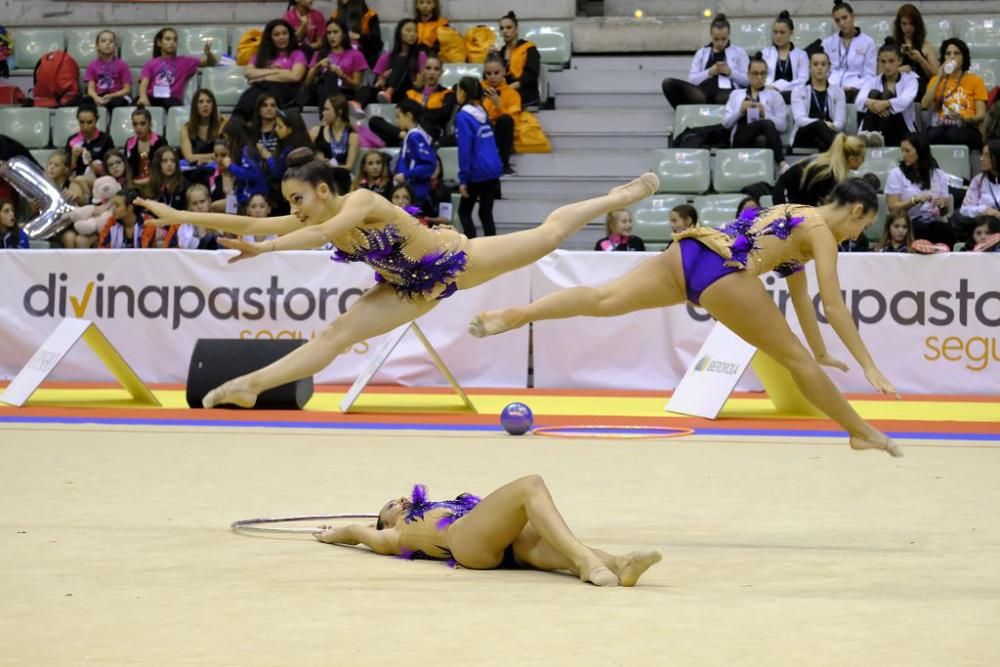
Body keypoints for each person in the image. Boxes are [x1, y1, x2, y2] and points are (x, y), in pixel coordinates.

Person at [136, 149, 660, 409]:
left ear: (323, 190)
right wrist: (180, 216)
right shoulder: (313, 217)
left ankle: (614, 198)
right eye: (289, 202)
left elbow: (326, 231)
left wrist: (267, 248)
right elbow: (251, 222)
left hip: (451, 261)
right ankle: (251, 386)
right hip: (405, 288)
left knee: (546, 237)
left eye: (298, 199)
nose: (292, 210)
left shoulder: (357, 203)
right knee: (335, 336)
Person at [469, 178, 902, 457]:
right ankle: (860, 429)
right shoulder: (823, 232)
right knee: (796, 362)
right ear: (856, 211)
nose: (857, 235)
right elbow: (834, 305)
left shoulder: (797, 215)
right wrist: (868, 365)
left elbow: (803, 299)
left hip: (692, 250)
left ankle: (519, 314)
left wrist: (823, 350)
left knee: (603, 298)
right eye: (862, 227)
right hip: (725, 270)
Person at [312, 477, 663, 587]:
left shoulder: (435, 508)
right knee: (530, 487)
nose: (401, 500)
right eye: (390, 504)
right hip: (467, 544)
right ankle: (589, 562)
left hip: (503, 543)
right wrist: (333, 533)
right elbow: (359, 532)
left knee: (546, 542)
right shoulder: (394, 535)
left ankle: (620, 564)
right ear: (387, 522)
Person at [661, 13, 749, 108]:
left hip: (725, 93)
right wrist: (709, 72)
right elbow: (692, 80)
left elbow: (748, 80)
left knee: (729, 98)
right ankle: (688, 112)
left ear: (729, 35)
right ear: (711, 35)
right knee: (668, 83)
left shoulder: (739, 52)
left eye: (724, 39)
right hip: (702, 94)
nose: (720, 43)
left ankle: (706, 111)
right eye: (716, 39)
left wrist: (730, 72)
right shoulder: (702, 52)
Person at [722, 54, 789, 174]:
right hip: (741, 138)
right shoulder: (736, 94)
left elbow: (783, 126)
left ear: (767, 75)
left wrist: (764, 114)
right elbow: (725, 124)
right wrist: (740, 111)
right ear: (748, 74)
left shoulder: (775, 96)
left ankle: (764, 171)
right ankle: (781, 163)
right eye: (755, 73)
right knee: (766, 124)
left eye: (763, 73)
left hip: (765, 139)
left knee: (764, 130)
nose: (759, 77)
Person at [455, 77, 504, 238]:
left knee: (464, 213)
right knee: (486, 214)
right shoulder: (482, 111)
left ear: (462, 92)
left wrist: (463, 179)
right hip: (493, 169)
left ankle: (472, 251)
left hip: (477, 172)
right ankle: (495, 253)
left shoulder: (463, 116)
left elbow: (465, 150)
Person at [885, 133, 954, 247]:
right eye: (902, 151)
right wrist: (915, 200)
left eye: (907, 151)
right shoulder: (896, 174)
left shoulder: (938, 174)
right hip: (907, 222)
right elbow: (892, 207)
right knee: (920, 229)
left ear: (920, 151)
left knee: (945, 230)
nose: (903, 155)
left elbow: (944, 211)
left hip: (932, 220)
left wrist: (942, 205)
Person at [369, 55, 455, 146]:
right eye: (428, 68)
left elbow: (443, 114)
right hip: (406, 132)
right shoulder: (411, 93)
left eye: (436, 69)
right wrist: (428, 112)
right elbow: (401, 113)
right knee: (374, 121)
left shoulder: (447, 94)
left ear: (441, 73)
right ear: (422, 71)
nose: (432, 72)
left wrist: (416, 111)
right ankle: (406, 136)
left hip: (430, 133)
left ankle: (412, 138)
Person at [921, 38, 988, 152]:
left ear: (963, 58)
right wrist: (939, 78)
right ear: (944, 58)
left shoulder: (975, 81)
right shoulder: (936, 80)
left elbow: (981, 116)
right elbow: (924, 105)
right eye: (948, 54)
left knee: (953, 134)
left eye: (956, 53)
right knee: (932, 135)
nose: (952, 57)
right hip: (942, 125)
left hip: (967, 128)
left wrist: (963, 119)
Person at [232, 19, 308, 121]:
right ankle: (235, 123)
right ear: (270, 38)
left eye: (285, 33)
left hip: (287, 90)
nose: (281, 37)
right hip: (262, 88)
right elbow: (249, 72)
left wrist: (262, 77)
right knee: (249, 94)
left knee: (266, 94)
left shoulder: (297, 54)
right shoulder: (260, 55)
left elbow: (295, 76)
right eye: (276, 35)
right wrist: (277, 71)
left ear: (290, 35)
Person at [855, 40, 919, 148]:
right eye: (883, 61)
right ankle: (870, 135)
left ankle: (875, 135)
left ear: (899, 61)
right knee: (874, 94)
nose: (887, 66)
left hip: (901, 128)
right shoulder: (873, 81)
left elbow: (905, 101)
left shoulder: (910, 79)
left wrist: (885, 104)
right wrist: (871, 102)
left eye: (891, 61)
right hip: (874, 127)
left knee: (887, 95)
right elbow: (858, 102)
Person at [773, 133, 866, 206]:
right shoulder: (826, 172)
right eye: (862, 158)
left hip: (800, 197)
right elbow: (812, 203)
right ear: (852, 159)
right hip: (785, 196)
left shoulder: (833, 170)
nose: (863, 161)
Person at [138, 27, 217, 109]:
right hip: (153, 96)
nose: (172, 42)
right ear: (159, 42)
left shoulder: (185, 62)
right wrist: (143, 97)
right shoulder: (150, 63)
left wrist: (208, 53)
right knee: (135, 105)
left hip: (171, 98)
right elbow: (143, 83)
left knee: (172, 105)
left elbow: (211, 62)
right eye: (168, 39)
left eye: (174, 40)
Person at [790, 47, 847, 152]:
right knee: (819, 126)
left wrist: (832, 126)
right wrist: (822, 124)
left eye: (823, 64)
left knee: (823, 143)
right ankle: (845, 150)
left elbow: (840, 122)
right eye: (815, 64)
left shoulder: (838, 92)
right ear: (809, 67)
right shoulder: (798, 91)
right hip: (804, 134)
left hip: (828, 133)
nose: (819, 68)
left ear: (829, 67)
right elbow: (800, 120)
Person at [303, 17, 368, 105]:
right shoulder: (320, 54)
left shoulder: (356, 55)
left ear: (344, 34)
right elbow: (307, 83)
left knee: (330, 75)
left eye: (335, 32)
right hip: (321, 93)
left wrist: (341, 75)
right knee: (323, 83)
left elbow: (357, 86)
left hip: (345, 93)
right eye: (329, 33)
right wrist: (318, 66)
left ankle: (331, 109)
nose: (331, 36)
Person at [821, 1, 876, 103]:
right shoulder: (828, 42)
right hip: (830, 89)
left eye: (844, 17)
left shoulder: (868, 42)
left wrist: (854, 86)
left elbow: (870, 75)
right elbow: (825, 70)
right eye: (837, 20)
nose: (841, 23)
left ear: (853, 16)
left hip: (855, 90)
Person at [363, 19, 426, 106]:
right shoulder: (386, 57)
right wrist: (383, 79)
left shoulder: (420, 56)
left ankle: (390, 91)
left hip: (407, 92)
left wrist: (419, 82)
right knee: (365, 89)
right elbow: (376, 84)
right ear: (399, 34)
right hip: (385, 94)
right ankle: (357, 105)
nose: (412, 34)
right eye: (408, 31)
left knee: (401, 59)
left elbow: (420, 84)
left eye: (415, 31)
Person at [391, 99, 437, 214]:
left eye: (399, 116)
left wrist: (405, 175)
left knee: (412, 227)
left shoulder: (415, 136)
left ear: (409, 115)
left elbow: (429, 164)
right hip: (410, 193)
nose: (397, 121)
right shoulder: (413, 134)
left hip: (415, 194)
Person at [955, 139, 1000, 244]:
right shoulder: (978, 180)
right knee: (957, 215)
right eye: (982, 154)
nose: (981, 159)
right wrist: (985, 210)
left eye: (987, 155)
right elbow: (964, 210)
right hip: (984, 224)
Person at [482, 53, 520, 175]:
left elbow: (512, 120)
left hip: (500, 132)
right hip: (482, 129)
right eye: (488, 73)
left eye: (496, 73)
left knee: (505, 120)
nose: (492, 77)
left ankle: (504, 163)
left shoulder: (512, 94)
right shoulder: (479, 90)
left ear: (504, 72)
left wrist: (498, 104)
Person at [893, 4, 939, 100]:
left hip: (921, 90)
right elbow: (880, 75)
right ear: (899, 25)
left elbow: (937, 76)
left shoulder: (926, 46)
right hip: (897, 90)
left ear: (917, 25)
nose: (908, 28)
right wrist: (897, 71)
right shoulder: (892, 47)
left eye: (911, 24)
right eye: (904, 24)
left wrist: (921, 60)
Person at [762, 11, 809, 103]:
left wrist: (779, 86)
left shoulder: (801, 55)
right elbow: (760, 77)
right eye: (775, 32)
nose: (778, 36)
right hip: (769, 94)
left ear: (791, 32)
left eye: (782, 32)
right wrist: (769, 87)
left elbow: (803, 80)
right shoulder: (765, 53)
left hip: (794, 96)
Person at [498, 11, 541, 108]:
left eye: (509, 27)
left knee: (504, 99)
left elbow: (531, 74)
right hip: (505, 90)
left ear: (516, 29)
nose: (505, 31)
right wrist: (491, 56)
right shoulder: (500, 52)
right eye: (502, 28)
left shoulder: (529, 47)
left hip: (525, 90)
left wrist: (510, 88)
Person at [83, 30, 132, 113]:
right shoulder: (92, 65)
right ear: (97, 46)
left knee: (116, 103)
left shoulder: (122, 65)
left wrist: (111, 96)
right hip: (99, 96)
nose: (107, 43)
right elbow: (90, 89)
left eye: (111, 41)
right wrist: (96, 98)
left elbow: (127, 89)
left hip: (116, 96)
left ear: (115, 46)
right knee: (85, 103)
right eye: (103, 41)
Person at [65, 102, 115, 178]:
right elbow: (67, 172)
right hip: (77, 180)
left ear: (96, 120)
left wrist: (92, 165)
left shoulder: (106, 139)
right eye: (81, 122)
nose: (85, 127)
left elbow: (112, 167)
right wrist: (74, 158)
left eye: (89, 122)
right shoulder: (72, 140)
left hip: (101, 180)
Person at [123, 107, 169, 190]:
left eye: (142, 123)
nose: (138, 128)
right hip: (135, 184)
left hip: (156, 183)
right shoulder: (129, 143)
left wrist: (145, 181)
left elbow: (164, 167)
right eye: (135, 124)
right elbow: (127, 167)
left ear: (150, 124)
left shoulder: (160, 142)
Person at [180, 89, 226, 168]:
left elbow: (227, 154)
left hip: (217, 169)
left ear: (213, 106)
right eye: (201, 102)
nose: (205, 105)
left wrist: (206, 160)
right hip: (195, 170)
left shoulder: (222, 125)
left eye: (209, 102)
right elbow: (189, 157)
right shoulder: (186, 128)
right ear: (195, 106)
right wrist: (212, 156)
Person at [310, 95, 359, 170]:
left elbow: (348, 167)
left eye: (327, 109)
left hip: (341, 176)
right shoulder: (315, 132)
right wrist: (317, 158)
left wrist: (330, 166)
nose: (323, 113)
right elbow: (305, 158)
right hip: (319, 174)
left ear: (339, 111)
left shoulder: (352, 136)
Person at [331, 0, 383, 69]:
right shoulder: (336, 15)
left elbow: (376, 43)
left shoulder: (370, 15)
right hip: (341, 56)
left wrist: (358, 37)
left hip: (366, 56)